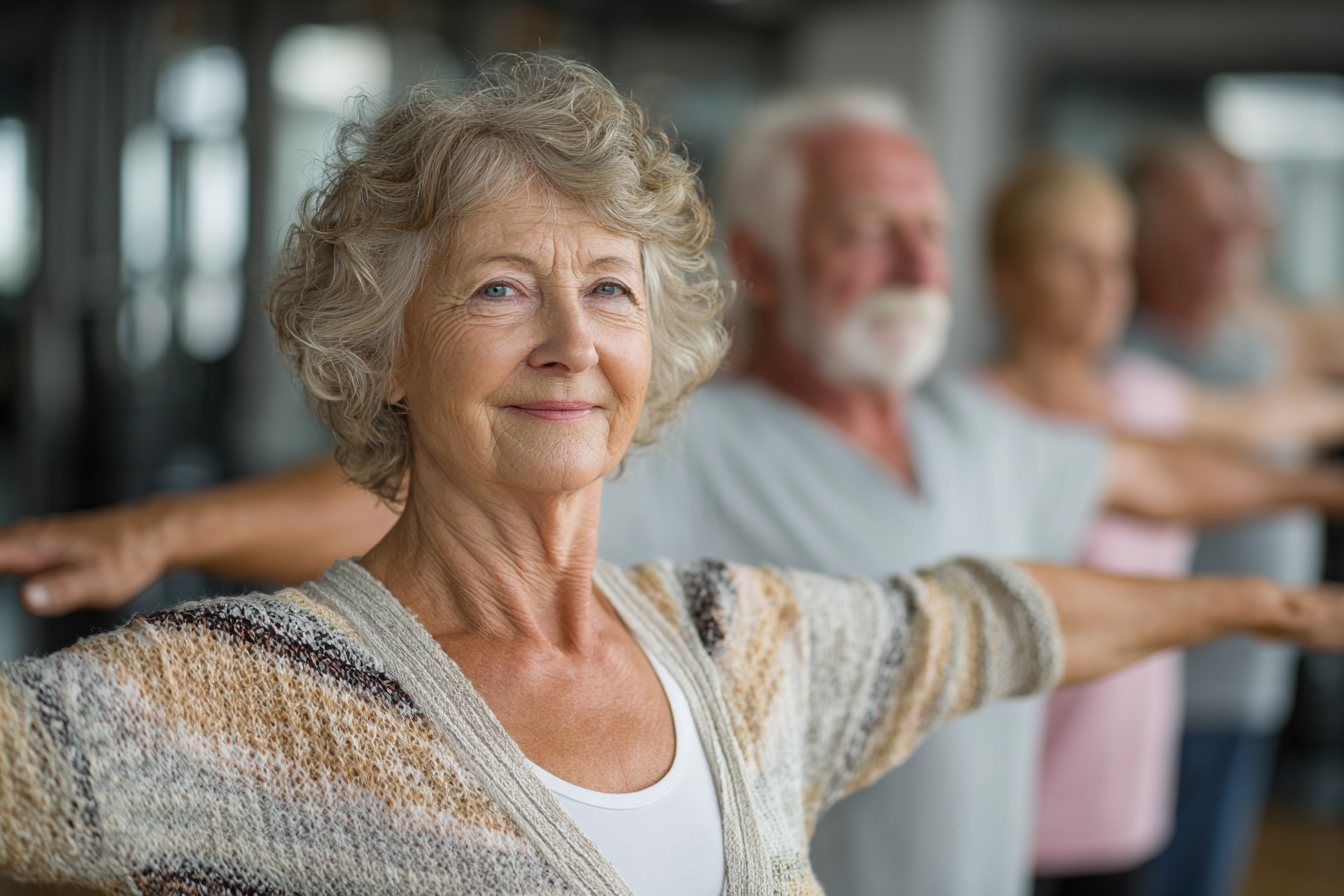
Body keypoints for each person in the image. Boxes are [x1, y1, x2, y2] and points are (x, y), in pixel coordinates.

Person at [7, 86, 1344, 896]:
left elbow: (982, 617)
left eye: (608, 289)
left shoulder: (739, 641)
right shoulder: (227, 698)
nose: (571, 343)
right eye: (495, 289)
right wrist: (170, 527)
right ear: (381, 353)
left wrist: (1274, 606)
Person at [985, 154, 1344, 896]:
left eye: (1113, 261)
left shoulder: (1142, 394)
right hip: (1013, 794)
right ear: (1006, 276)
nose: (1104, 285)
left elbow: (1252, 429)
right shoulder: (970, 420)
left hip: (1124, 798)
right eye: (1073, 259)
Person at [1123, 135, 1333, 896]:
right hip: (1153, 683)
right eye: (1205, 225)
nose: (1231, 242)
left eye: (1240, 223)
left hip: (1253, 678)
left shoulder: (1267, 336)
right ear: (1143, 237)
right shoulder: (1122, 355)